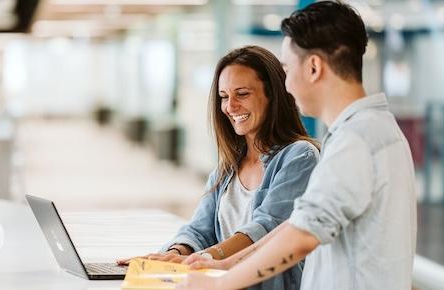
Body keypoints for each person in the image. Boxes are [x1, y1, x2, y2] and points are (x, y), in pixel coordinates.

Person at [176, 2, 418, 290]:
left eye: (287, 68)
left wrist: (220, 284)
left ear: (314, 67)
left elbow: (303, 236)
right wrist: (223, 265)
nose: (286, 84)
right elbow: (292, 227)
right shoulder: (375, 130)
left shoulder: (356, 141)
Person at [117, 45, 320, 290]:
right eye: (224, 97)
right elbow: (199, 229)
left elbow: (266, 229)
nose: (230, 107)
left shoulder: (299, 156)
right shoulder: (229, 166)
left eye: (242, 94)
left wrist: (205, 259)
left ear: (272, 96)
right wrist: (171, 256)